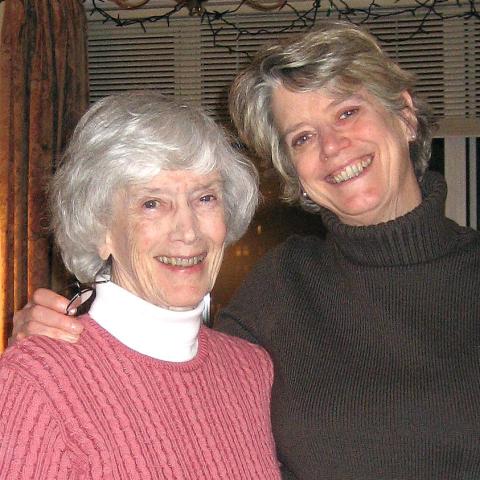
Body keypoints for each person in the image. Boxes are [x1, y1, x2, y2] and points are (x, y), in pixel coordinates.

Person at [10, 22, 480, 479]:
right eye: (302, 137)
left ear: (405, 114)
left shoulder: (246, 366)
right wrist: (46, 345)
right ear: (292, 169)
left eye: (346, 112)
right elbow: (158, 365)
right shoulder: (283, 285)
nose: (333, 146)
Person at [0, 91, 281, 479]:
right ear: (101, 230)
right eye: (152, 203)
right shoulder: (39, 380)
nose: (187, 232)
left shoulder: (250, 370)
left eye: (205, 198)